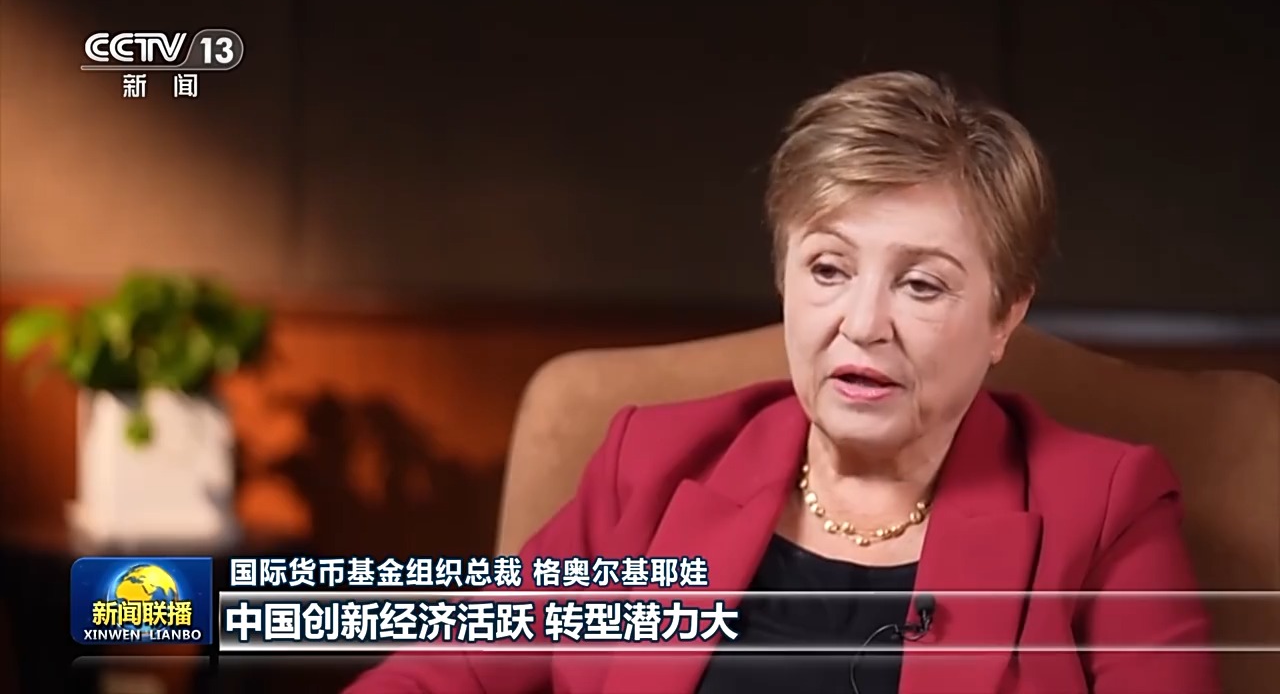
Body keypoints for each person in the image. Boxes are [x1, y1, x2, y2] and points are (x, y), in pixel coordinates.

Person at [345, 71, 1220, 693]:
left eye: (921, 285)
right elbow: (440, 673)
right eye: (829, 269)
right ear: (784, 279)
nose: (864, 323)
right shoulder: (651, 465)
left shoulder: (1104, 509)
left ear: (1004, 316)